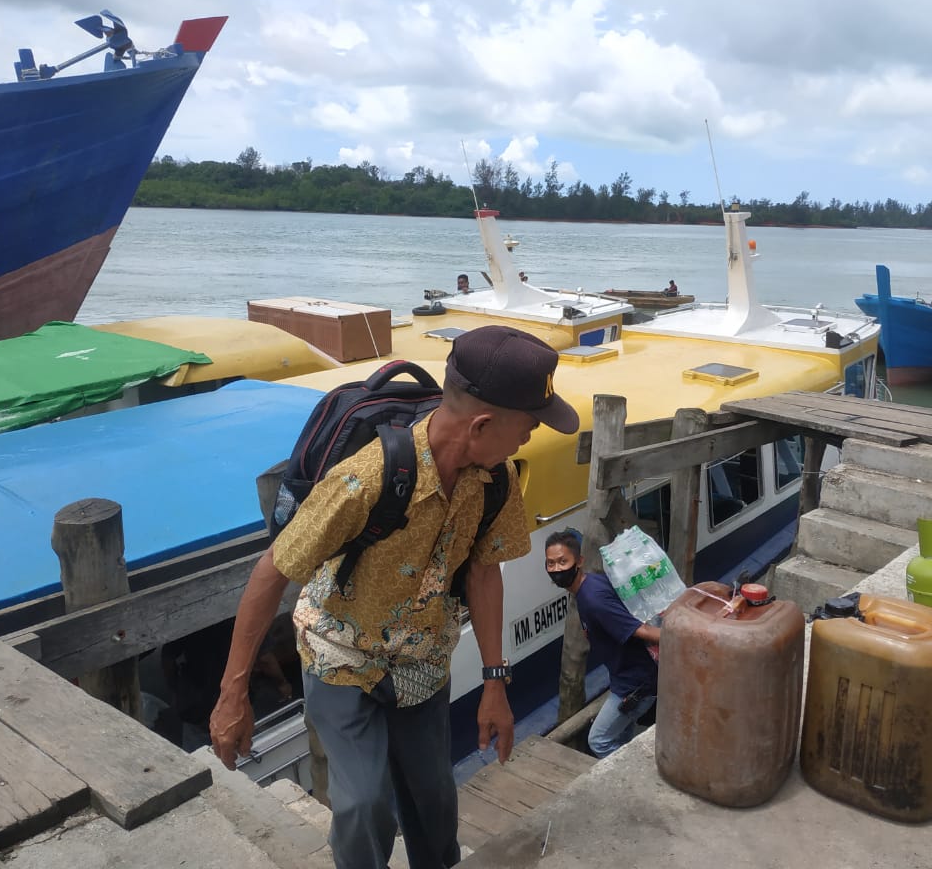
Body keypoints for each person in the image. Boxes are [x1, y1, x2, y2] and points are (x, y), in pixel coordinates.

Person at [209, 325, 579, 869]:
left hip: (422, 662)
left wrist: (496, 683)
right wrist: (232, 693)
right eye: (528, 425)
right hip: (341, 657)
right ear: (482, 424)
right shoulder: (366, 480)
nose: (529, 437)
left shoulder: (491, 480)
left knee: (433, 805)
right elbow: (272, 572)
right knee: (364, 807)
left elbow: (483, 573)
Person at [543, 530, 658, 758]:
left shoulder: (593, 600)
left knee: (599, 740)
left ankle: (632, 780)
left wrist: (682, 635)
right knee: (620, 739)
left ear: (579, 562)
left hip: (635, 684)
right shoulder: (590, 586)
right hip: (627, 678)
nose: (557, 569)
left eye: (563, 562)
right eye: (551, 563)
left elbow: (639, 629)